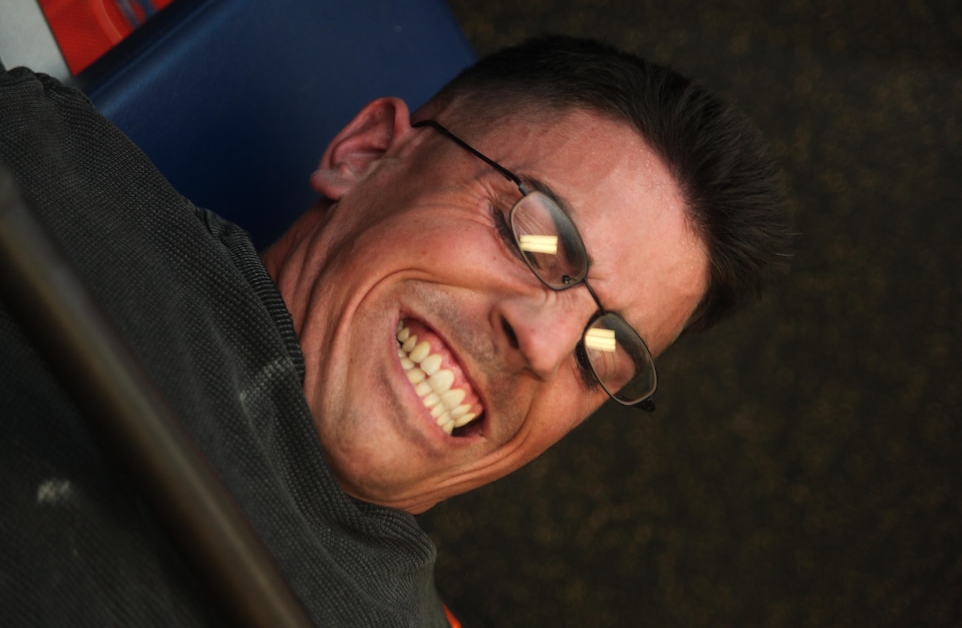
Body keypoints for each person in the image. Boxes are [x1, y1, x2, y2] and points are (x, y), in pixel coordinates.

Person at [0, 36, 790, 626]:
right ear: (366, 153)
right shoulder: (38, 174)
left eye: (604, 354)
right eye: (539, 239)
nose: (546, 347)